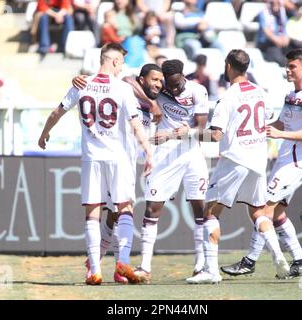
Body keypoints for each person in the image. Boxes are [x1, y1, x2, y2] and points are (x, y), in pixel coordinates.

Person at [38, 43, 153, 285]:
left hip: (91, 156)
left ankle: (94, 270)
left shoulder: (81, 84)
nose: (122, 67)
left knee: (92, 212)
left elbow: (56, 113)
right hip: (118, 157)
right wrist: (148, 153)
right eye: (120, 62)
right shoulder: (122, 88)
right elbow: (135, 124)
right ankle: (122, 263)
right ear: (113, 61)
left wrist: (44, 134)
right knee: (125, 208)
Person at [185, 49, 290, 284]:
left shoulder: (228, 97)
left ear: (229, 66)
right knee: (259, 212)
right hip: (257, 159)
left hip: (234, 160)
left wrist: (186, 134)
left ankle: (211, 271)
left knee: (210, 212)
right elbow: (267, 119)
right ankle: (279, 257)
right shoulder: (259, 91)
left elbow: (215, 135)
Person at [221, 48, 302, 279]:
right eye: (286, 66)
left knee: (262, 210)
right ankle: (300, 262)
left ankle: (249, 261)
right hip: (284, 160)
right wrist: (259, 130)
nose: (287, 70)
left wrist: (281, 135)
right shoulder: (291, 95)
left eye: (292, 67)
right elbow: (280, 123)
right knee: (277, 216)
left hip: (297, 162)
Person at [72, 63, 164, 284]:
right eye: (154, 80)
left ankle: (102, 263)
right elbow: (127, 80)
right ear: (142, 79)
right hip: (119, 158)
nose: (158, 85)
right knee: (117, 210)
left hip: (139, 159)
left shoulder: (163, 95)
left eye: (161, 81)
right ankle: (107, 264)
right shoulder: (129, 88)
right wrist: (151, 103)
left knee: (116, 213)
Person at [133, 59, 210, 283]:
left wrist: (175, 133)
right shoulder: (159, 88)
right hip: (164, 154)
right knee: (152, 208)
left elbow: (202, 129)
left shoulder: (198, 91)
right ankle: (145, 266)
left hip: (191, 152)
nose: (174, 90)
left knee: (200, 209)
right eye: (170, 86)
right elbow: (129, 81)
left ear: (183, 77)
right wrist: (153, 102)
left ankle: (200, 264)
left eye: (177, 85)